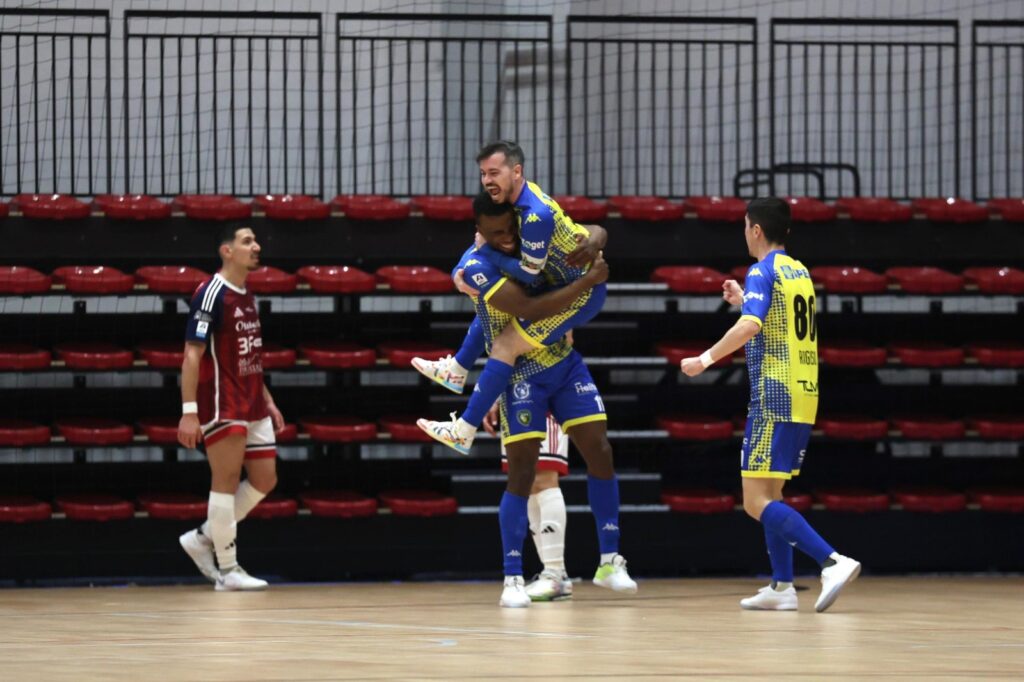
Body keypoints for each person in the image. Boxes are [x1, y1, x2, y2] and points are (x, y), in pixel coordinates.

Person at [422, 196, 635, 607]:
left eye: (509, 229)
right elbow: (502, 319)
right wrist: (491, 389)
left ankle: (581, 567)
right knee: (527, 476)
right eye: (495, 233)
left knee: (565, 466)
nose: (506, 237)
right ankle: (527, 576)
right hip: (519, 375)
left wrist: (595, 242)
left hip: (557, 363)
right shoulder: (483, 264)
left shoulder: (537, 238)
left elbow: (589, 234)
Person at [679, 197, 860, 612]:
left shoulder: (762, 269)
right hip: (804, 392)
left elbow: (751, 325)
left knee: (755, 501)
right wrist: (746, 298)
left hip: (774, 396)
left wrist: (704, 359)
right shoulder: (798, 270)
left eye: (745, 226)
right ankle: (781, 587)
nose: (744, 233)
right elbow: (777, 319)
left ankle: (832, 561)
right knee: (772, 492)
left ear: (756, 230)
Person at [413, 141, 605, 454]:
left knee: (504, 343)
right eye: (483, 174)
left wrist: (485, 252)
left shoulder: (534, 215)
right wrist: (460, 270)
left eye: (494, 172)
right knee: (493, 301)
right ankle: (458, 369)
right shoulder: (516, 201)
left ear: (516, 172)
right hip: (555, 285)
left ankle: (464, 429)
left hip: (578, 293)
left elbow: (528, 273)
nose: (487, 180)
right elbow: (484, 239)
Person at [176, 223, 285, 592]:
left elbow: (249, 354)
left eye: (256, 240)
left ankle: (203, 537)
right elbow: (192, 354)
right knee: (224, 482)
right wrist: (189, 411)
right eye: (247, 241)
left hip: (252, 400)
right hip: (223, 402)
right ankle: (227, 570)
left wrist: (267, 398)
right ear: (227, 251)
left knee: (265, 479)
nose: (257, 246)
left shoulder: (247, 294)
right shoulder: (210, 294)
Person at [484, 405, 573, 602]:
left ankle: (555, 573)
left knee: (543, 478)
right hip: (513, 403)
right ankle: (555, 574)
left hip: (542, 400)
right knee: (528, 483)